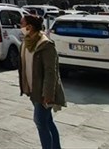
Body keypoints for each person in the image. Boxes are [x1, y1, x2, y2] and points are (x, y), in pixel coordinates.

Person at [19, 14, 65, 149]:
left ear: (29, 27)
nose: (20, 26)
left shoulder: (45, 44)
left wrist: (48, 94)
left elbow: (51, 72)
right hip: (33, 89)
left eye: (22, 24)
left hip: (43, 92)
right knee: (47, 121)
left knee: (40, 121)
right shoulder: (26, 42)